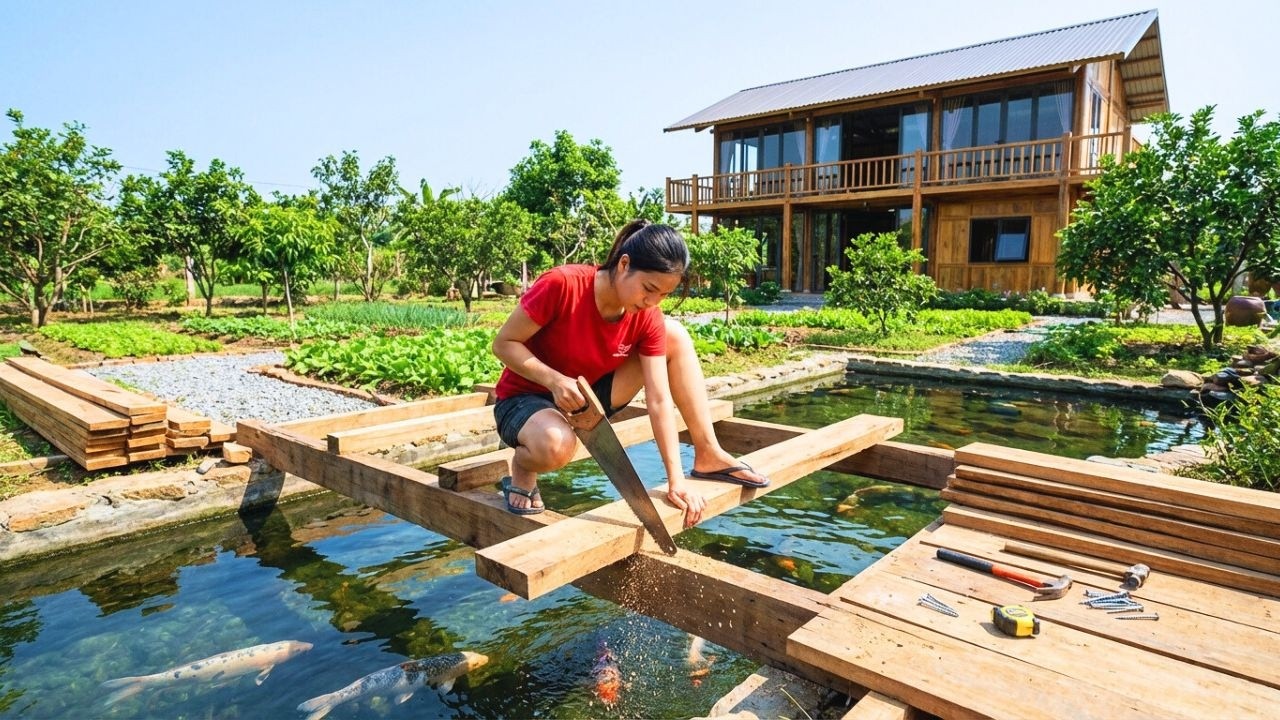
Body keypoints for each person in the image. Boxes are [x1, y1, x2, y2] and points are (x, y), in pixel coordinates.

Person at [491, 219, 769, 525]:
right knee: (554, 445)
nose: (652, 301)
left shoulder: (647, 315)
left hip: (587, 397)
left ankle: (708, 454)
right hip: (525, 397)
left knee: (673, 333)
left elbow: (660, 400)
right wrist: (553, 380)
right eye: (648, 289)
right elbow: (503, 344)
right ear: (624, 264)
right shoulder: (563, 284)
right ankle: (522, 466)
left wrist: (676, 479)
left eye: (663, 295)